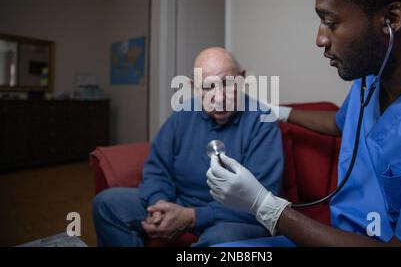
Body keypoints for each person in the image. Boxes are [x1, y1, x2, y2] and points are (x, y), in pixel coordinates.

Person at [207, 0, 401, 246]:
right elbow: (339, 124)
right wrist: (277, 111)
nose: (320, 39)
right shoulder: (372, 73)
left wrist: (266, 207)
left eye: (330, 22)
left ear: (391, 18)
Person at [92, 47, 284, 247]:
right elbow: (157, 169)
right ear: (194, 87)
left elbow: (261, 200)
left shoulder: (262, 120)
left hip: (234, 217)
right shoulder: (183, 113)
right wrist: (159, 204)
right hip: (180, 202)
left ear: (241, 78)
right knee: (107, 204)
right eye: (207, 87)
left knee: (221, 240)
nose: (218, 98)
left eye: (227, 83)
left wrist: (192, 216)